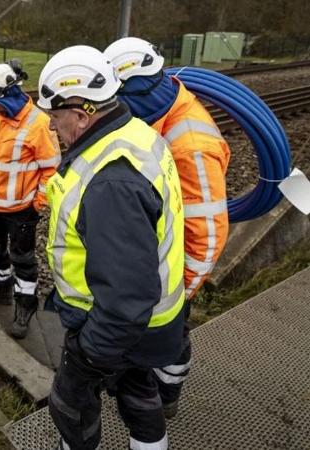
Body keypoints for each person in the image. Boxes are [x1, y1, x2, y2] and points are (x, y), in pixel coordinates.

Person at [36, 45, 186, 450]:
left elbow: (125, 299)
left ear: (82, 115)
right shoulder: (135, 132)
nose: (51, 127)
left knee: (71, 405)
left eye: (55, 116)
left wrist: (88, 355)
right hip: (152, 322)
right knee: (139, 394)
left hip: (115, 325)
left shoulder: (109, 183)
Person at [104, 37, 231, 418]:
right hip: (155, 254)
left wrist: (178, 293)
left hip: (173, 275)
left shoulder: (190, 145)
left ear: (133, 88)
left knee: (171, 337)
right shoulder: (158, 106)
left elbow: (207, 234)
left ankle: (168, 394)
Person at [0, 60, 60, 339]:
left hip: (21, 209)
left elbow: (52, 169)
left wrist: (38, 203)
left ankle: (26, 305)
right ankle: (2, 287)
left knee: (23, 259)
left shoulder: (38, 124)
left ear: (10, 94)